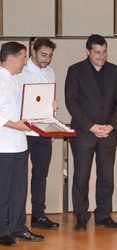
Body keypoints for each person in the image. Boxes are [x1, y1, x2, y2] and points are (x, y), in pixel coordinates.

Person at [65, 34, 117, 231]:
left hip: (108, 133)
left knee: (106, 177)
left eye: (104, 51)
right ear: (88, 51)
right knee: (81, 177)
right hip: (84, 133)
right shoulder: (75, 71)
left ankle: (103, 215)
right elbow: (71, 102)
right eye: (97, 52)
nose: (102, 56)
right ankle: (81, 216)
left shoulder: (114, 71)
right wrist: (91, 126)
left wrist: (112, 126)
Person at [0, 42, 44, 247]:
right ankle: (2, 231)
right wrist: (16, 125)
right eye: (23, 57)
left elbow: (29, 103)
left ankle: (18, 227)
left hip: (19, 143)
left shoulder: (16, 80)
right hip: (3, 146)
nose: (25, 62)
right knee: (3, 191)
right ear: (11, 58)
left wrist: (46, 105)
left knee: (19, 190)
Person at [19, 37, 59, 230]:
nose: (47, 59)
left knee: (40, 175)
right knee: (19, 177)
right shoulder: (21, 71)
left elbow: (47, 102)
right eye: (43, 55)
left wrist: (54, 107)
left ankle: (38, 215)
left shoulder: (51, 72)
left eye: (50, 56)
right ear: (33, 52)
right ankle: (15, 218)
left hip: (43, 132)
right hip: (23, 132)